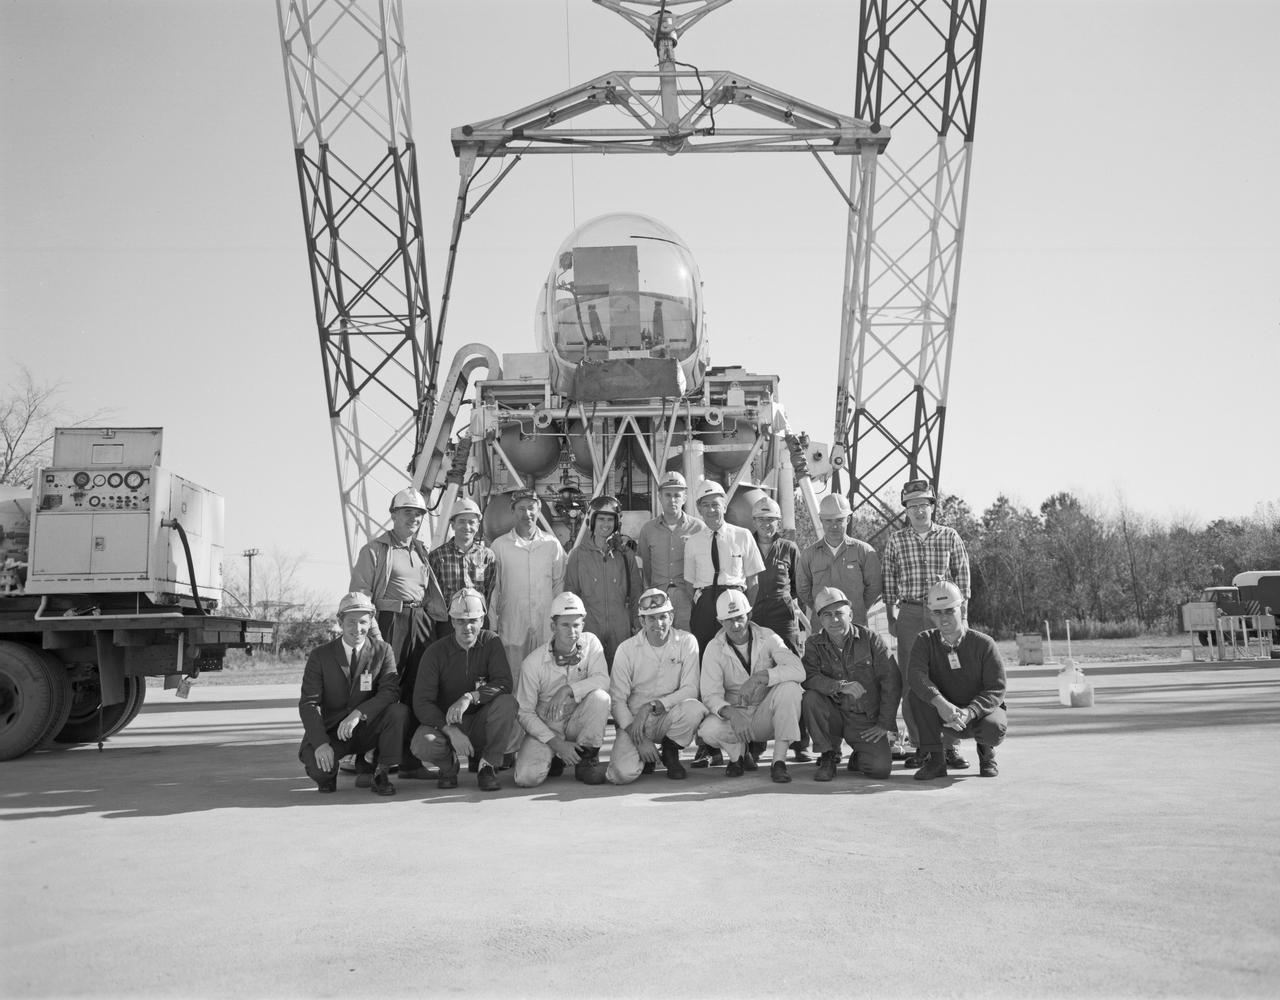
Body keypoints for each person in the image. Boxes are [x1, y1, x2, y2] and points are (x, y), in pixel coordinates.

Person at [349, 486, 448, 777]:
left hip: (421, 621)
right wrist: (375, 634)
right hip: (390, 620)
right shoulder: (374, 550)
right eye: (407, 512)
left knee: (417, 689)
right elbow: (360, 595)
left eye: (418, 514)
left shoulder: (421, 551)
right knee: (381, 687)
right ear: (393, 515)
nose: (413, 518)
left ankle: (409, 760)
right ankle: (366, 760)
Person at [882, 478, 972, 768]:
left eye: (924, 504)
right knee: (913, 680)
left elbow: (963, 578)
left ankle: (950, 746)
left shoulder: (949, 536)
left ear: (933, 506)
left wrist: (962, 617)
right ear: (905, 510)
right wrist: (891, 616)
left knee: (949, 678)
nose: (919, 511)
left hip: (944, 614)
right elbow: (889, 579)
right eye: (912, 506)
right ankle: (922, 746)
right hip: (909, 612)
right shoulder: (897, 540)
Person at [297, 592, 407, 796]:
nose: (358, 629)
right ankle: (331, 772)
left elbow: (390, 691)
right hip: (333, 731)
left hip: (367, 727)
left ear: (371, 621)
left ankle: (380, 772)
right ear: (340, 622)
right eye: (351, 622)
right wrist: (321, 743)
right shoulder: (320, 656)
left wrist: (359, 713)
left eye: (363, 622)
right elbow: (308, 704)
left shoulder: (383, 650)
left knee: (398, 712)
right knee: (320, 771)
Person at [410, 588, 520, 792]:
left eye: (472, 620)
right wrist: (450, 730)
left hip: (481, 723)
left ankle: (488, 766)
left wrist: (470, 697)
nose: (467, 627)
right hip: (447, 724)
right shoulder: (435, 652)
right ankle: (448, 766)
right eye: (460, 621)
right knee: (422, 743)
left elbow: (504, 683)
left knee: (508, 703)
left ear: (482, 620)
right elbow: (422, 702)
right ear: (452, 621)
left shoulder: (491, 642)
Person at [695, 590, 804, 784]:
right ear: (720, 622)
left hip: (766, 715)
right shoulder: (714, 648)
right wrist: (732, 714)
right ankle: (737, 757)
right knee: (708, 730)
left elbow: (798, 670)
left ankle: (779, 762)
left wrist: (760, 677)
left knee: (791, 688)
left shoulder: (768, 636)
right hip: (736, 716)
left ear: (750, 615)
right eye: (729, 620)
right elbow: (710, 695)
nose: (735, 625)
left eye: (739, 617)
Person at [606, 588, 707, 784]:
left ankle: (670, 752)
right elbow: (617, 701)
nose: (658, 623)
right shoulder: (626, 650)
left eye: (663, 617)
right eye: (651, 618)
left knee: (694, 709)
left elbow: (690, 689)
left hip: (668, 717)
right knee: (621, 774)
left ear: (671, 617)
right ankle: (646, 757)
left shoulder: (687, 642)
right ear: (642, 621)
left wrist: (653, 705)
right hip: (635, 722)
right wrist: (639, 738)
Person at [907, 580, 1006, 780]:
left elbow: (996, 688)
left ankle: (986, 754)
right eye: (937, 612)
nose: (943, 618)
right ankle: (936, 761)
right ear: (931, 614)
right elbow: (916, 675)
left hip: (975, 713)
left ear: (962, 609)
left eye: (949, 611)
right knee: (914, 697)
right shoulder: (924, 641)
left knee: (993, 728)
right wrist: (941, 704)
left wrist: (971, 712)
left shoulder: (984, 644)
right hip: (944, 712)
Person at [801, 587, 901, 782]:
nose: (834, 620)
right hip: (833, 715)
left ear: (851, 615)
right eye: (827, 615)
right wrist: (839, 686)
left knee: (880, 770)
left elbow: (892, 680)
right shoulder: (813, 644)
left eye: (839, 613)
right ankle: (828, 755)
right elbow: (809, 677)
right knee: (811, 699)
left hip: (863, 718)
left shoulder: (871, 639)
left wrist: (884, 723)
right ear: (820, 620)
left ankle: (859, 756)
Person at [512, 592, 611, 788]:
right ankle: (555, 756)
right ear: (553, 627)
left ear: (583, 625)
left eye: (576, 625)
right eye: (565, 625)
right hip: (547, 728)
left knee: (601, 698)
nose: (572, 631)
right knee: (526, 778)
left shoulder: (592, 644)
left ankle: (586, 761)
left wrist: (567, 689)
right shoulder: (533, 663)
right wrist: (557, 745)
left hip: (577, 721)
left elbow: (603, 680)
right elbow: (524, 712)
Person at [750, 494, 811, 762]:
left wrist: (785, 605)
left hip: (783, 619)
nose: (767, 524)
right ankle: (756, 743)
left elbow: (798, 587)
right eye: (762, 519)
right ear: (754, 521)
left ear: (778, 522)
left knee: (795, 676)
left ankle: (800, 743)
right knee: (757, 674)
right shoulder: (745, 544)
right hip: (754, 617)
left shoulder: (789, 548)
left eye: (772, 520)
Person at [490, 488, 567, 686]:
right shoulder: (500, 546)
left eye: (532, 508)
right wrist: (492, 626)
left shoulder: (552, 544)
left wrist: (558, 621)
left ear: (539, 510)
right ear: (512, 511)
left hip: (545, 625)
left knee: (547, 676)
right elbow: (493, 590)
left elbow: (559, 584)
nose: (527, 514)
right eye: (521, 508)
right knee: (514, 677)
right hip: (513, 624)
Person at [684, 480, 764, 654]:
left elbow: (753, 581)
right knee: (704, 653)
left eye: (715, 504)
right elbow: (689, 584)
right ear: (699, 509)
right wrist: (704, 604)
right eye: (706, 505)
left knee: (737, 652)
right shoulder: (692, 543)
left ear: (725, 506)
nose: (711, 510)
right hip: (705, 607)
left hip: (735, 604)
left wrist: (746, 610)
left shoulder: (743, 536)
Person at [563, 494, 642, 666]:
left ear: (617, 523)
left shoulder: (626, 555)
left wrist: (637, 625)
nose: (606, 524)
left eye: (610, 519)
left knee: (622, 674)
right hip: (589, 629)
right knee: (590, 673)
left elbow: (636, 593)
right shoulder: (578, 556)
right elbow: (570, 597)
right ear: (591, 521)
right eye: (601, 519)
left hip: (621, 630)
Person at [795, 492, 882, 629]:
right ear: (821, 520)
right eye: (828, 521)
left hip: (856, 626)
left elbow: (875, 587)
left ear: (848, 519)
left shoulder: (864, 552)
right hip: (822, 628)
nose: (834, 526)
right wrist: (823, 610)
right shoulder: (809, 555)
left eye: (839, 520)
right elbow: (803, 590)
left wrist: (856, 608)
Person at [636, 471, 704, 631]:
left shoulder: (698, 528)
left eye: (677, 495)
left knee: (688, 639)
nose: (672, 500)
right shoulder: (648, 530)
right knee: (661, 638)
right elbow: (646, 566)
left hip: (688, 597)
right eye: (667, 495)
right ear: (659, 497)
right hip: (658, 599)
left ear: (684, 498)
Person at [428, 496, 496, 639]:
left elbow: (490, 591)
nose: (467, 527)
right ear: (452, 524)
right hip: (448, 623)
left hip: (478, 620)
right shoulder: (437, 556)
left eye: (471, 522)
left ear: (478, 525)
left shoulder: (487, 556)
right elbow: (432, 595)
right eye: (462, 521)